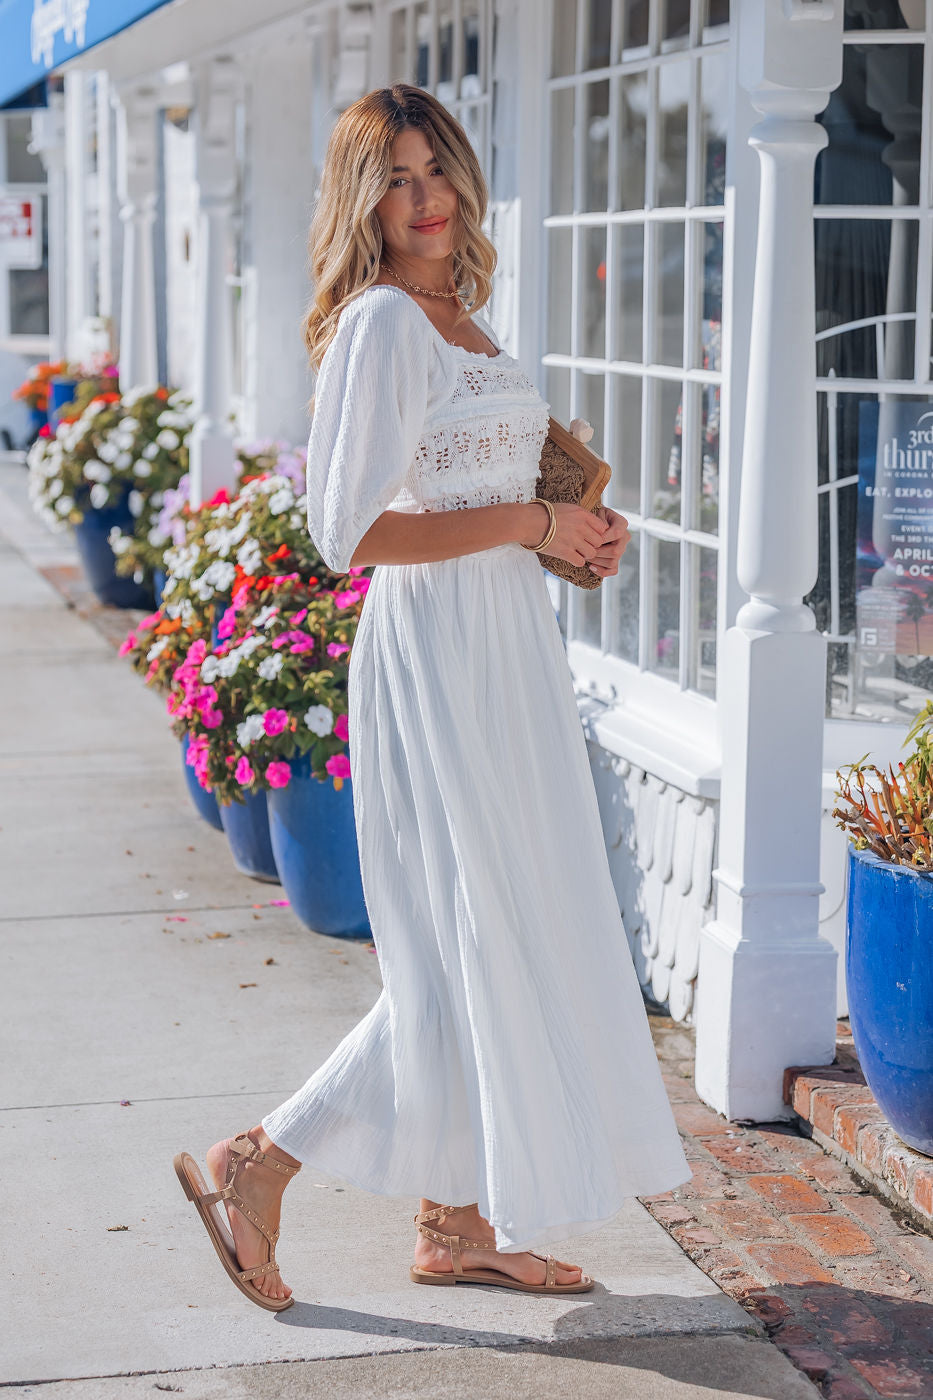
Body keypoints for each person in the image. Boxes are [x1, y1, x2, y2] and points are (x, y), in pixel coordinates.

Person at [174, 84, 691, 1313]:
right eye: (397, 178)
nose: (425, 197)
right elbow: (349, 531)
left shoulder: (468, 319)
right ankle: (259, 1159)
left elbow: (482, 496)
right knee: (460, 952)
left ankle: (454, 1223)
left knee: (496, 937)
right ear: (366, 200)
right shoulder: (383, 324)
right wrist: (528, 522)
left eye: (437, 168)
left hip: (506, 647)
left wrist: (571, 532)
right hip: (438, 659)